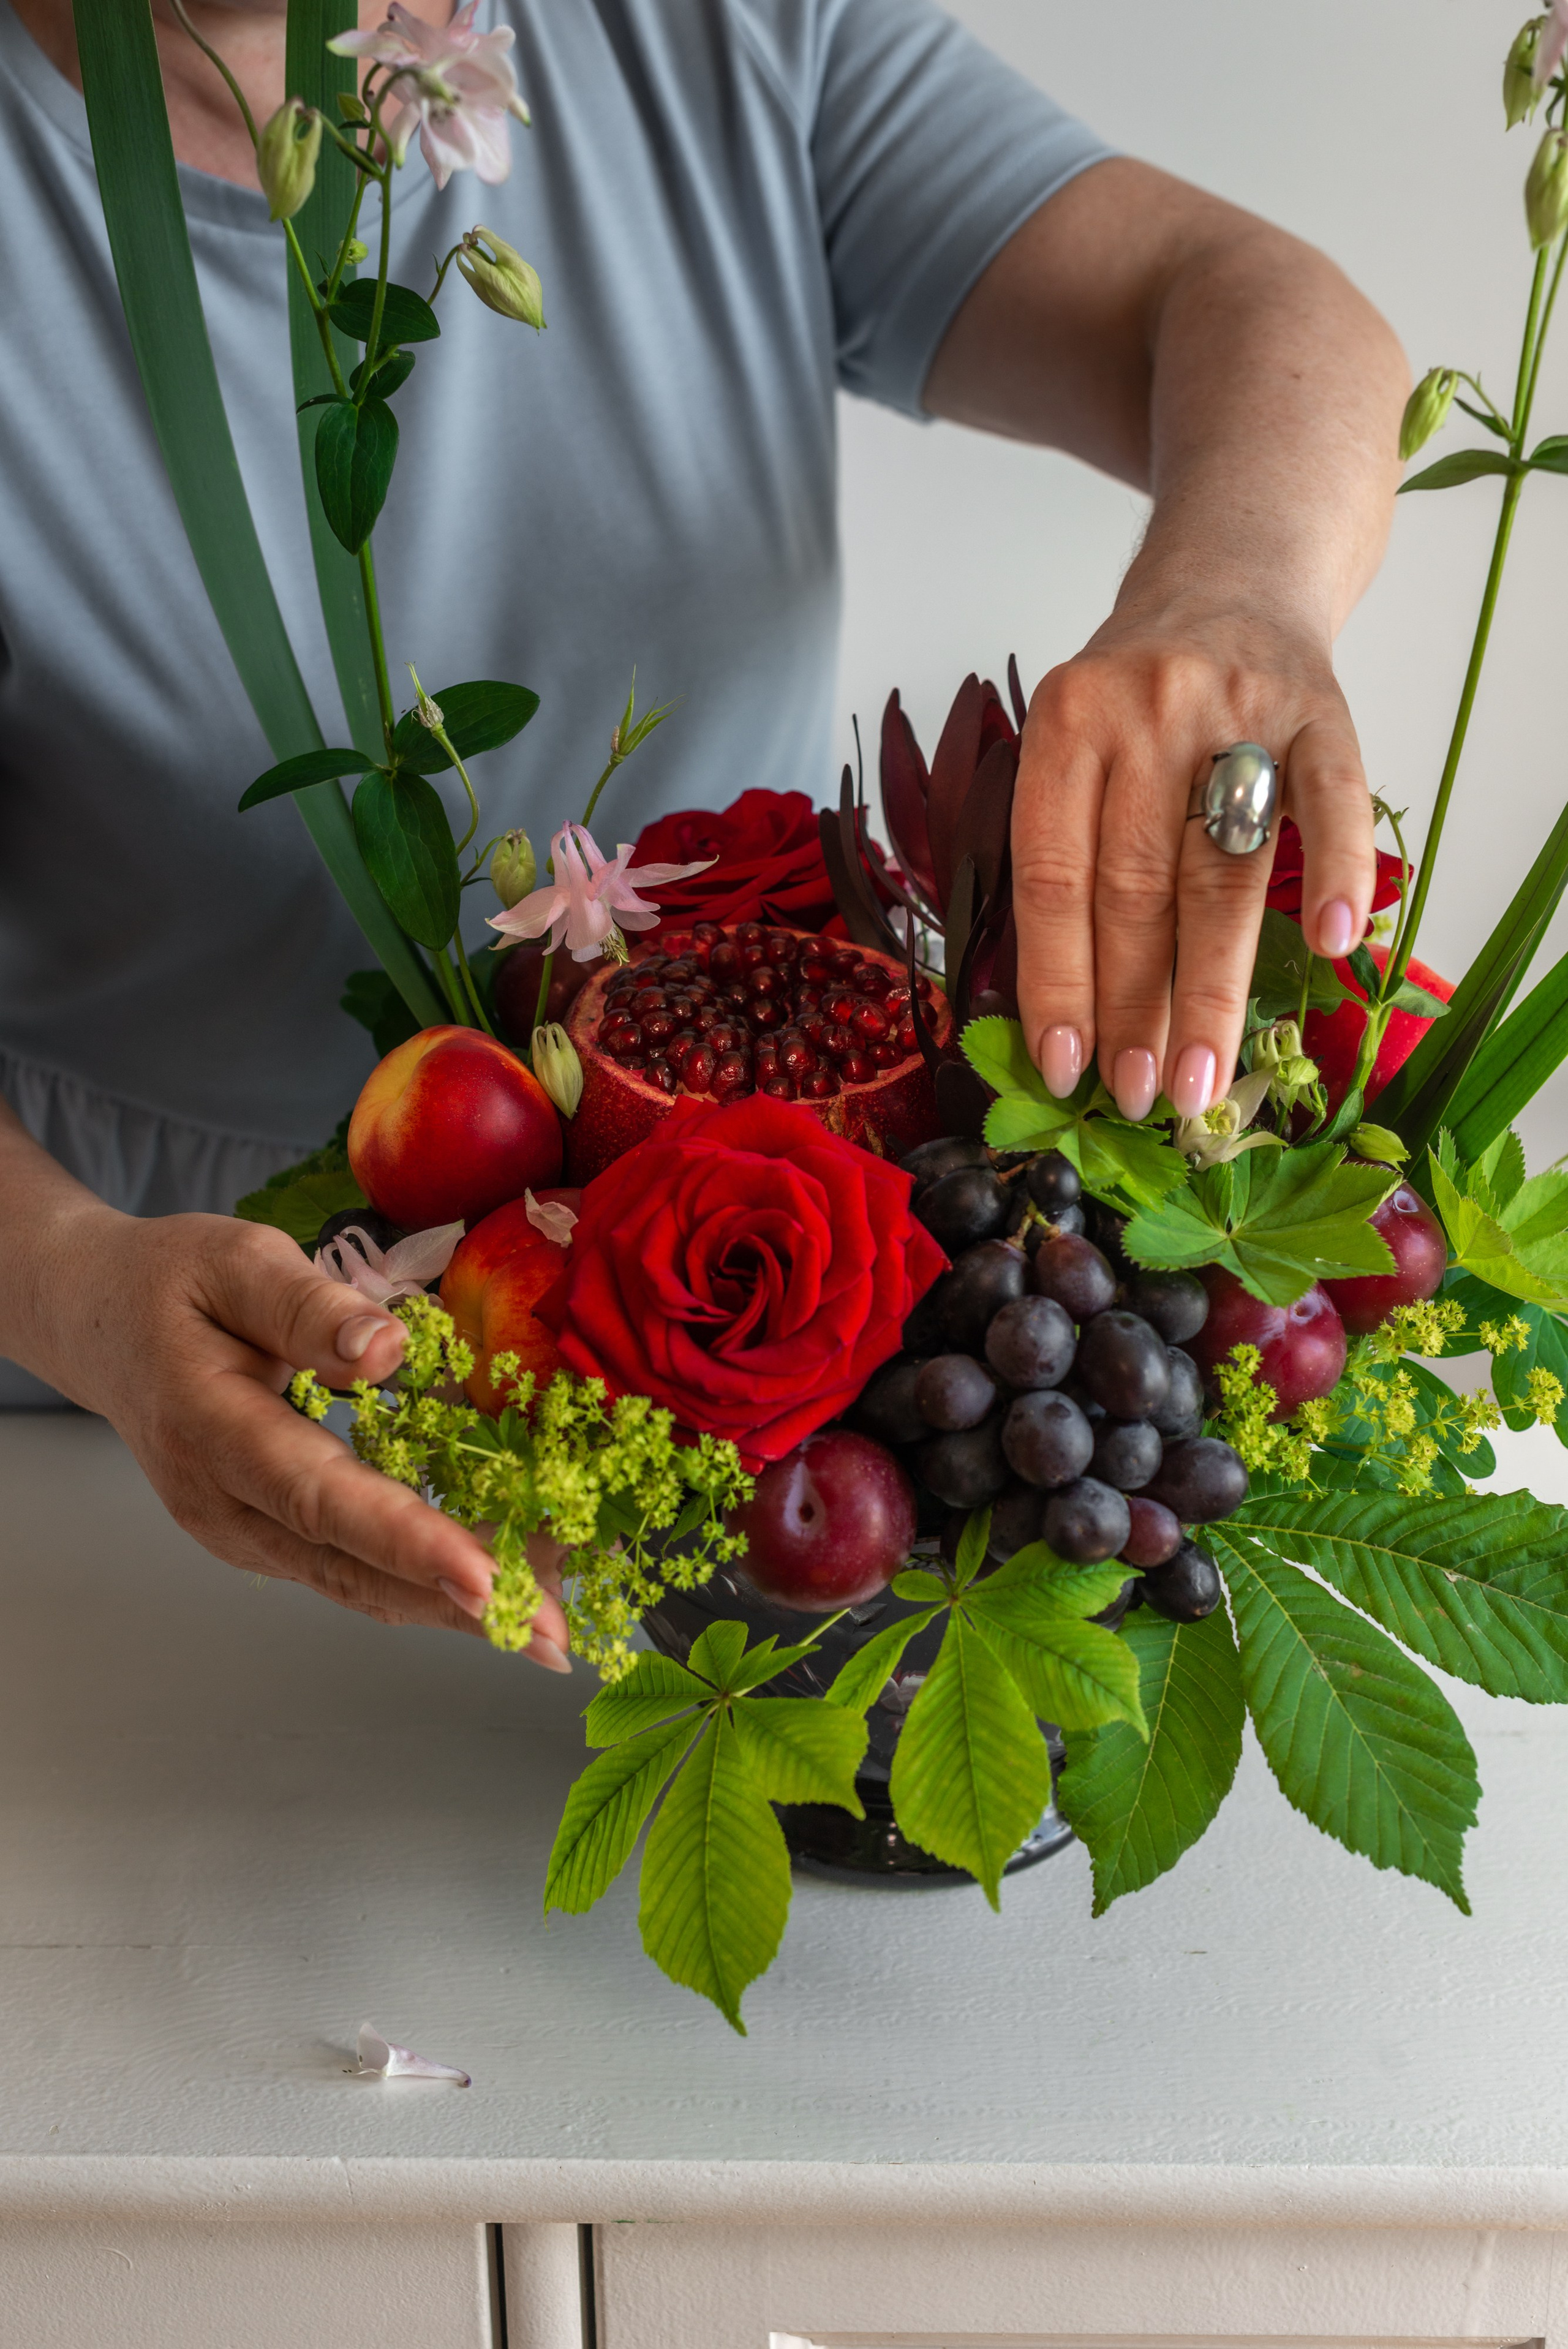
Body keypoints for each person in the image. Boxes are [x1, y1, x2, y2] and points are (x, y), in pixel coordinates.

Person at [0, 0, 1406, 1656]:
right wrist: (76, 1287)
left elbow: (1248, 299)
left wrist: (1235, 586)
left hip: (766, 1403)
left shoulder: (710, 31)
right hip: (103, 1431)